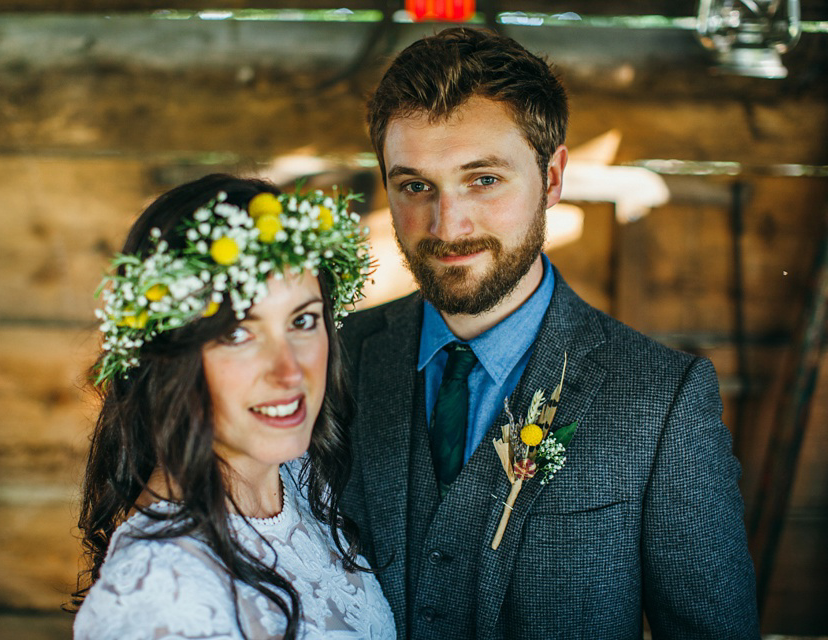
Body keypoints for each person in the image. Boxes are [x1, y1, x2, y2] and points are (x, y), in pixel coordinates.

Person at [339, 27, 760, 639]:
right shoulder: (331, 359)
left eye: (483, 179)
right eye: (414, 185)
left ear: (553, 177)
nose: (448, 223)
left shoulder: (664, 399)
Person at [72, 174, 396, 639]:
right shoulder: (160, 597)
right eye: (238, 334)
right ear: (169, 358)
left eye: (303, 320)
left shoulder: (303, 480)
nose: (289, 372)